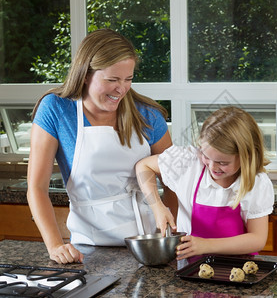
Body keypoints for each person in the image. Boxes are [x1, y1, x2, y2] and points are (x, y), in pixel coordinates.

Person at [27, 29, 176, 264]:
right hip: (88, 249)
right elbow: (36, 187)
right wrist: (55, 245)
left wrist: (169, 234)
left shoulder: (148, 114)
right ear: (85, 74)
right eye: (112, 80)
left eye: (128, 79)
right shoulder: (56, 109)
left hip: (146, 246)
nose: (122, 89)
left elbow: (173, 180)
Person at [136, 106, 274, 260]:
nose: (212, 167)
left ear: (246, 156)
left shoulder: (256, 182)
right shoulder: (188, 163)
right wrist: (158, 207)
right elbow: (143, 166)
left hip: (238, 269)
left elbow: (257, 239)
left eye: (222, 162)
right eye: (206, 156)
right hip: (188, 267)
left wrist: (205, 245)